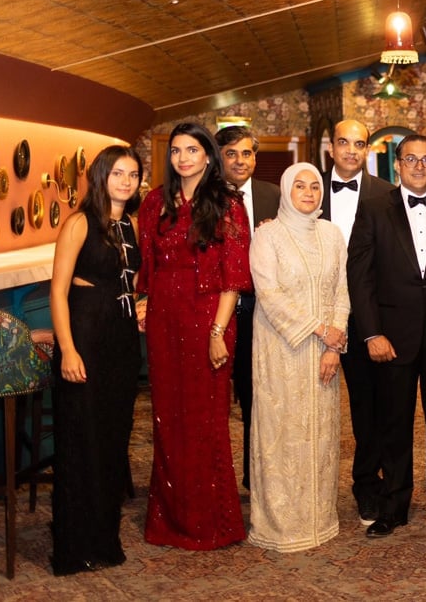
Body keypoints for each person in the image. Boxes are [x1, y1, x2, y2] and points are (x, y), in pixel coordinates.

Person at [348, 135, 426, 537]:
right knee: (393, 426)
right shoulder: (372, 210)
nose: (419, 166)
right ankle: (393, 506)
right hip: (392, 337)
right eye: (410, 159)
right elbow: (361, 280)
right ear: (397, 165)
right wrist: (372, 334)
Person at [138, 122, 251, 550]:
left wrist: (218, 331)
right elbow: (147, 267)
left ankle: (212, 521)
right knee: (168, 421)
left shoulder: (228, 205)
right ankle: (169, 519)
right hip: (165, 320)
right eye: (176, 151)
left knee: (206, 421)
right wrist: (146, 304)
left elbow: (233, 277)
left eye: (192, 149)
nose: (183, 157)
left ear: (208, 155)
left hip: (209, 319)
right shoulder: (153, 203)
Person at [48, 145, 144, 575]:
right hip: (85, 336)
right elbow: (58, 290)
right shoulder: (79, 223)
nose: (126, 181)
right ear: (101, 175)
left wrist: (141, 305)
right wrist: (67, 348)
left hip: (122, 341)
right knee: (81, 440)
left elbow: (132, 280)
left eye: (134, 174)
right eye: (118, 173)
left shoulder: (132, 223)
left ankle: (105, 538)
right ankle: (74, 544)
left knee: (113, 439)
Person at [246, 162, 349, 552]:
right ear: (286, 191)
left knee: (321, 435)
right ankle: (281, 525)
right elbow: (269, 295)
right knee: (283, 434)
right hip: (282, 351)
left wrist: (334, 344)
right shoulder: (268, 235)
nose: (308, 193)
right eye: (300, 186)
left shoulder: (332, 234)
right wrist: (321, 330)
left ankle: (319, 519)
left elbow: (342, 289)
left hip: (325, 353)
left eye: (315, 187)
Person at [318, 118, 395, 526]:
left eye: (359, 144)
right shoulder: (307, 191)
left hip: (368, 316)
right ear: (331, 147)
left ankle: (368, 486)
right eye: (343, 142)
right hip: (317, 319)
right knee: (310, 409)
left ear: (368, 150)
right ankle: (305, 495)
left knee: (370, 410)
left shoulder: (387, 194)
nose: (351, 150)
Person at [215, 125, 280, 491]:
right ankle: (215, 481)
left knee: (259, 400)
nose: (240, 161)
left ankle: (256, 478)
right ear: (219, 157)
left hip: (262, 312)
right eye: (231, 153)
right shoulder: (205, 198)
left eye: (247, 153)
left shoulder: (274, 196)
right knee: (215, 401)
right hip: (215, 313)